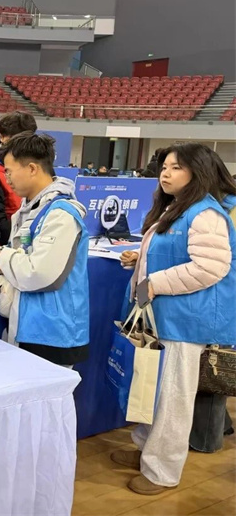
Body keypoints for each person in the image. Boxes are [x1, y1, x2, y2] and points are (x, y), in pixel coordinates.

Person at [112, 143, 235, 495]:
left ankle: (162, 470)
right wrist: (141, 259)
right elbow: (177, 255)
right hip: (159, 316)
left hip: (184, 322)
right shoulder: (178, 207)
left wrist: (155, 282)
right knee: (151, 389)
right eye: (164, 166)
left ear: (198, 172)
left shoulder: (205, 214)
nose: (165, 173)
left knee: (172, 398)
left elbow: (210, 267)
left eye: (176, 167)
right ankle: (146, 450)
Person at [0, 132, 90, 366]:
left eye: (9, 171)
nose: (7, 178)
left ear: (32, 168)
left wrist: (0, 255)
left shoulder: (61, 215)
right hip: (29, 326)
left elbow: (39, 273)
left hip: (53, 334)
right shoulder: (30, 210)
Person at [188, 147, 236, 454]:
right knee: (210, 368)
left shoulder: (225, 210)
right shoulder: (212, 207)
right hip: (213, 298)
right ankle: (220, 426)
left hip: (222, 297)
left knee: (212, 366)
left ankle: (205, 440)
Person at [0, 110, 38, 246]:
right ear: (1, 137)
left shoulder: (37, 166)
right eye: (17, 139)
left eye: (27, 139)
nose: (23, 144)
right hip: (9, 245)